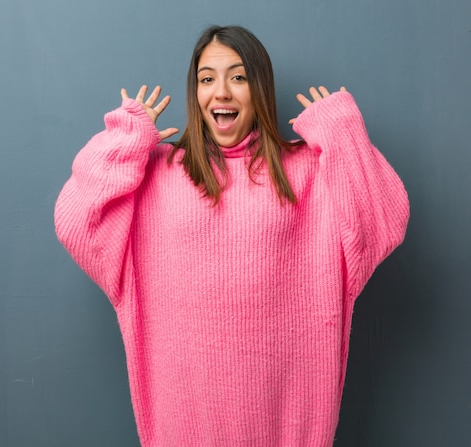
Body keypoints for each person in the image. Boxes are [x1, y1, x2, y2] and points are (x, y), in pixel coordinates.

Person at [54, 25, 409, 447]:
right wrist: (123, 142)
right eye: (207, 79)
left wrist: (343, 134)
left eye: (237, 77)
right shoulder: (157, 174)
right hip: (183, 426)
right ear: (195, 92)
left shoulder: (307, 171)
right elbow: (77, 222)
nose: (220, 91)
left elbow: (383, 221)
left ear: (259, 87)